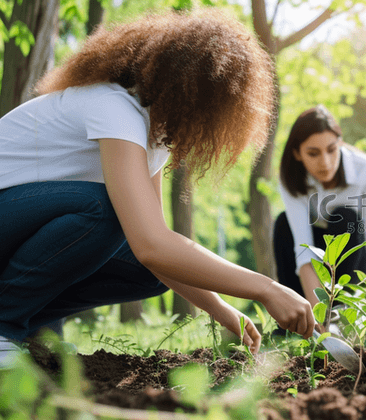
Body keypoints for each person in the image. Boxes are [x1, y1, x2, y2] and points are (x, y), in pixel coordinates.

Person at [0, 9, 315, 369]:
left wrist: (221, 309)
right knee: (104, 211)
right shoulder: (113, 107)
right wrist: (266, 288)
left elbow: (159, 250)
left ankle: (33, 330)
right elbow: (150, 243)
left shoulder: (151, 137)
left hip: (17, 229)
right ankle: (4, 323)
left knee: (146, 270)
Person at [274, 105, 366, 308]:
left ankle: (341, 310)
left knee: (345, 217)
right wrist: (320, 319)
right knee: (283, 223)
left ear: (340, 143)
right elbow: (303, 251)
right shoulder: (290, 179)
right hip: (314, 263)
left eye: (331, 150)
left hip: (356, 256)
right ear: (297, 154)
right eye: (313, 153)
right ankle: (296, 315)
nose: (326, 162)